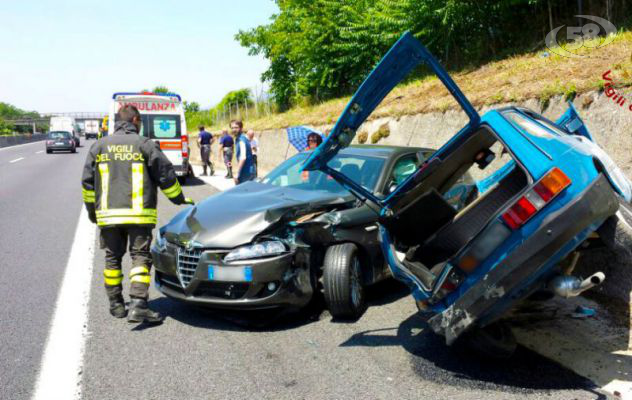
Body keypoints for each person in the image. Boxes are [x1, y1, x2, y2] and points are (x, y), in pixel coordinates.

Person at [81, 105, 194, 324]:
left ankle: (115, 304)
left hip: (108, 216)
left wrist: (92, 212)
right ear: (135, 120)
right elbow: (166, 175)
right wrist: (179, 199)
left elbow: (87, 184)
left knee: (112, 258)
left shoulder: (99, 146)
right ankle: (139, 304)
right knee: (140, 257)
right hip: (139, 215)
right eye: (140, 122)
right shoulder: (144, 144)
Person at [231, 119, 255, 184]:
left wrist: (237, 174)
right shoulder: (242, 138)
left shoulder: (241, 140)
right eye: (232, 128)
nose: (234, 129)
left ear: (241, 128)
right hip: (248, 170)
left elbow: (243, 157)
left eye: (236, 127)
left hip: (246, 172)